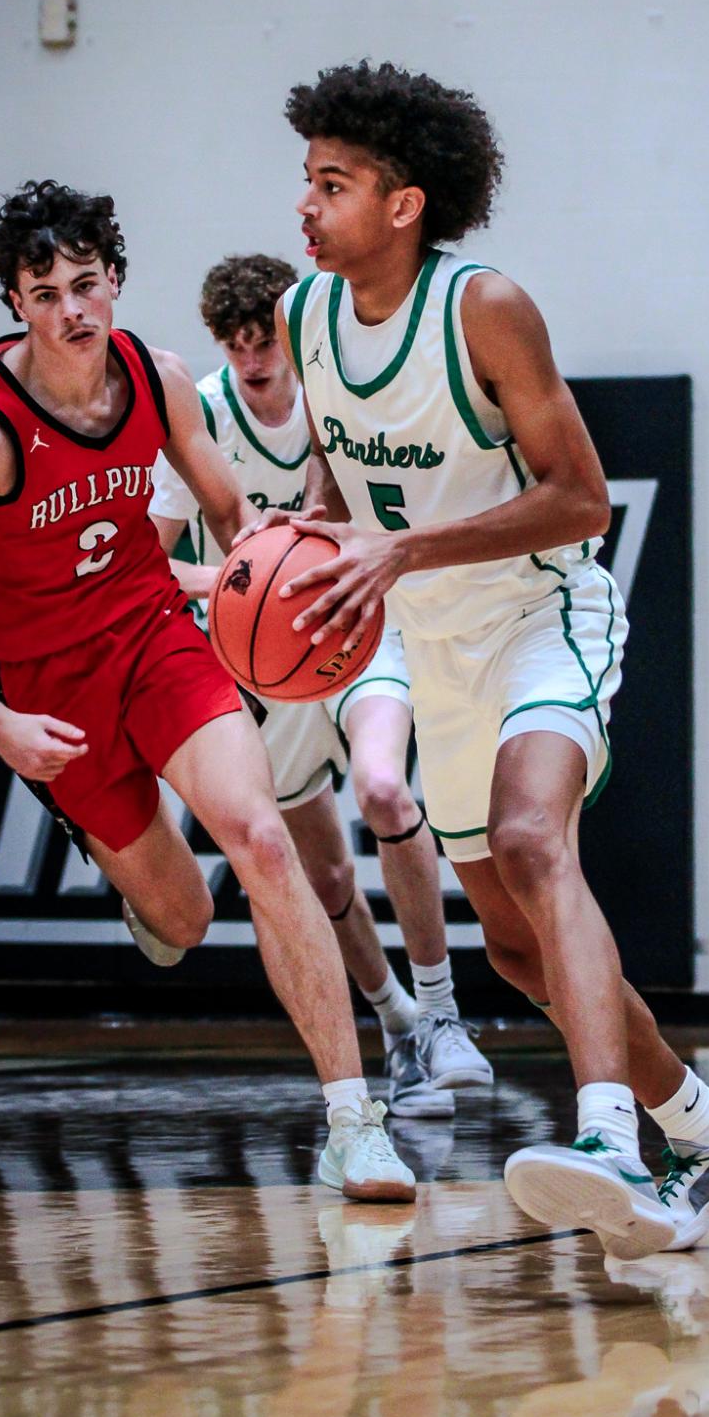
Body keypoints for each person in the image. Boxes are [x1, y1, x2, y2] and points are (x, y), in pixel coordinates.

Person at [260, 60, 709, 1259]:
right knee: (505, 943)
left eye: (331, 183)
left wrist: (404, 549)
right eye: (304, 179)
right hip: (431, 645)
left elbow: (582, 500)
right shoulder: (301, 317)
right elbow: (341, 483)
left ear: (403, 203)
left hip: (542, 616)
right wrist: (306, 562)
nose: (305, 204)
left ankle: (607, 1141)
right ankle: (702, 1129)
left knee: (540, 842)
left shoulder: (485, 307)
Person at [0, 179, 417, 1202]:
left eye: (86, 284)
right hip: (40, 682)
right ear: (13, 302)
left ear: (115, 279)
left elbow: (226, 510)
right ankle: (133, 882)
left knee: (260, 838)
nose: (72, 311)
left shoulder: (155, 377)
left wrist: (268, 582)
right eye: (44, 294)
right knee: (181, 918)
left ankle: (354, 1122)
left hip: (153, 632)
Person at [147, 250, 493, 1116]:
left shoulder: (335, 398)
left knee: (383, 785)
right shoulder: (204, 418)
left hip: (351, 629)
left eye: (266, 339)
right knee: (327, 876)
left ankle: (446, 1013)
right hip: (259, 663)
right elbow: (150, 563)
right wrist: (239, 575)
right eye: (237, 343)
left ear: (289, 338)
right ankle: (398, 1024)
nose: (255, 357)